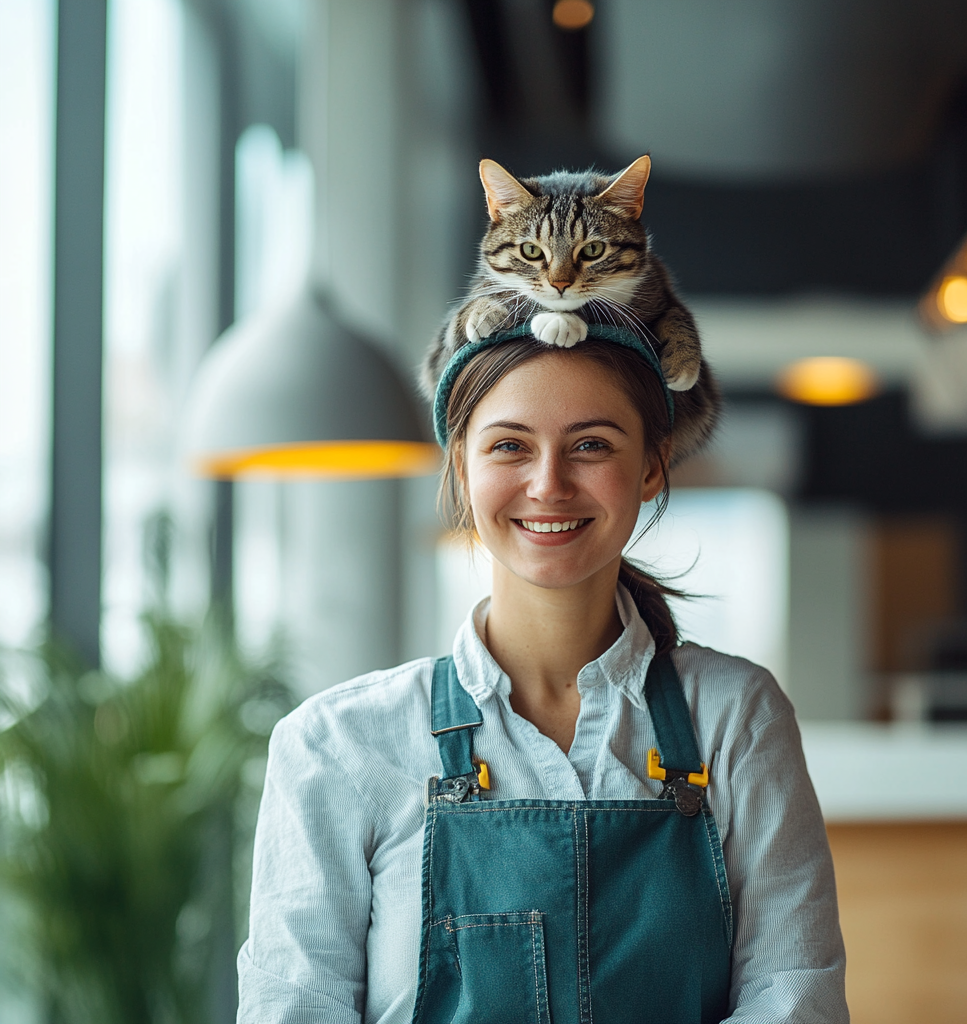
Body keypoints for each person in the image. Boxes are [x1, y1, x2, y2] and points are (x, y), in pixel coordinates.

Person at [237, 323, 849, 1023]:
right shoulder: (337, 744)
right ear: (461, 466)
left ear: (653, 464)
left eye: (591, 445)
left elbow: (796, 998)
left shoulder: (736, 717)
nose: (548, 483)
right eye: (509, 446)